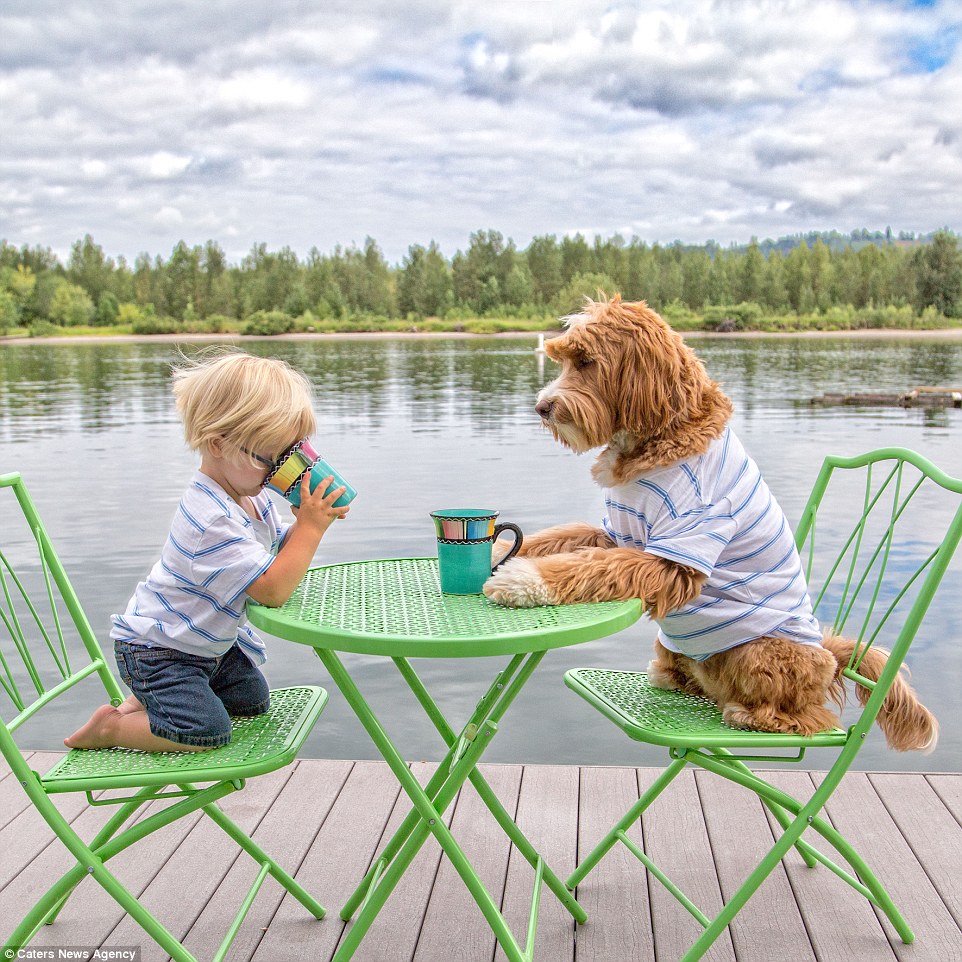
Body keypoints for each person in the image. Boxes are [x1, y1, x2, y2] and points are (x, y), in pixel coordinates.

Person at [65, 349, 350, 752]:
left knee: (251, 704)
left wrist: (306, 520)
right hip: (158, 652)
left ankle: (143, 702)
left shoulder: (252, 497)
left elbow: (270, 553)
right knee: (207, 732)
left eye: (293, 456)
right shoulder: (208, 519)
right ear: (218, 444)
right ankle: (110, 729)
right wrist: (310, 528)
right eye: (272, 460)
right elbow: (271, 589)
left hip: (206, 648)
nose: (281, 474)